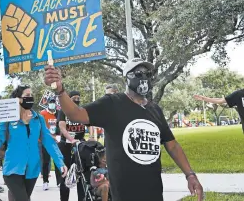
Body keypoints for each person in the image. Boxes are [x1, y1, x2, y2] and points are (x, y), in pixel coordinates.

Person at [44, 58, 204, 201]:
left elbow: (172, 145)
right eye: (138, 73)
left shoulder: (155, 110)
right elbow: (75, 114)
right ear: (126, 77)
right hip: (124, 193)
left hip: (154, 192)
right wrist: (60, 90)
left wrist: (190, 175)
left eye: (147, 73)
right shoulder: (112, 104)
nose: (144, 77)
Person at [0, 84, 68, 201]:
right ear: (17, 99)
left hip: (32, 170)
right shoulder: (8, 119)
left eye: (31, 95)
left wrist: (60, 162)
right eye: (27, 95)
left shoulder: (38, 118)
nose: (31, 98)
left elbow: (49, 142)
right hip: (12, 169)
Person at [57, 90, 95, 201]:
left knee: (82, 173)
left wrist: (91, 136)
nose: (77, 100)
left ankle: (82, 198)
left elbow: (90, 124)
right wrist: (70, 139)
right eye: (74, 98)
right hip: (66, 145)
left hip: (81, 145)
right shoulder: (63, 111)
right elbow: (62, 127)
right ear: (69, 99)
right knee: (65, 173)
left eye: (78, 98)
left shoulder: (81, 111)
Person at [39, 97, 59, 191]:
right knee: (46, 161)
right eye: (50, 102)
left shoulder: (58, 113)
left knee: (57, 161)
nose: (52, 104)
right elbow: (41, 127)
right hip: (46, 140)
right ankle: (45, 182)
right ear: (47, 103)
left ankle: (59, 181)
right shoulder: (42, 114)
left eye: (53, 102)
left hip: (57, 140)